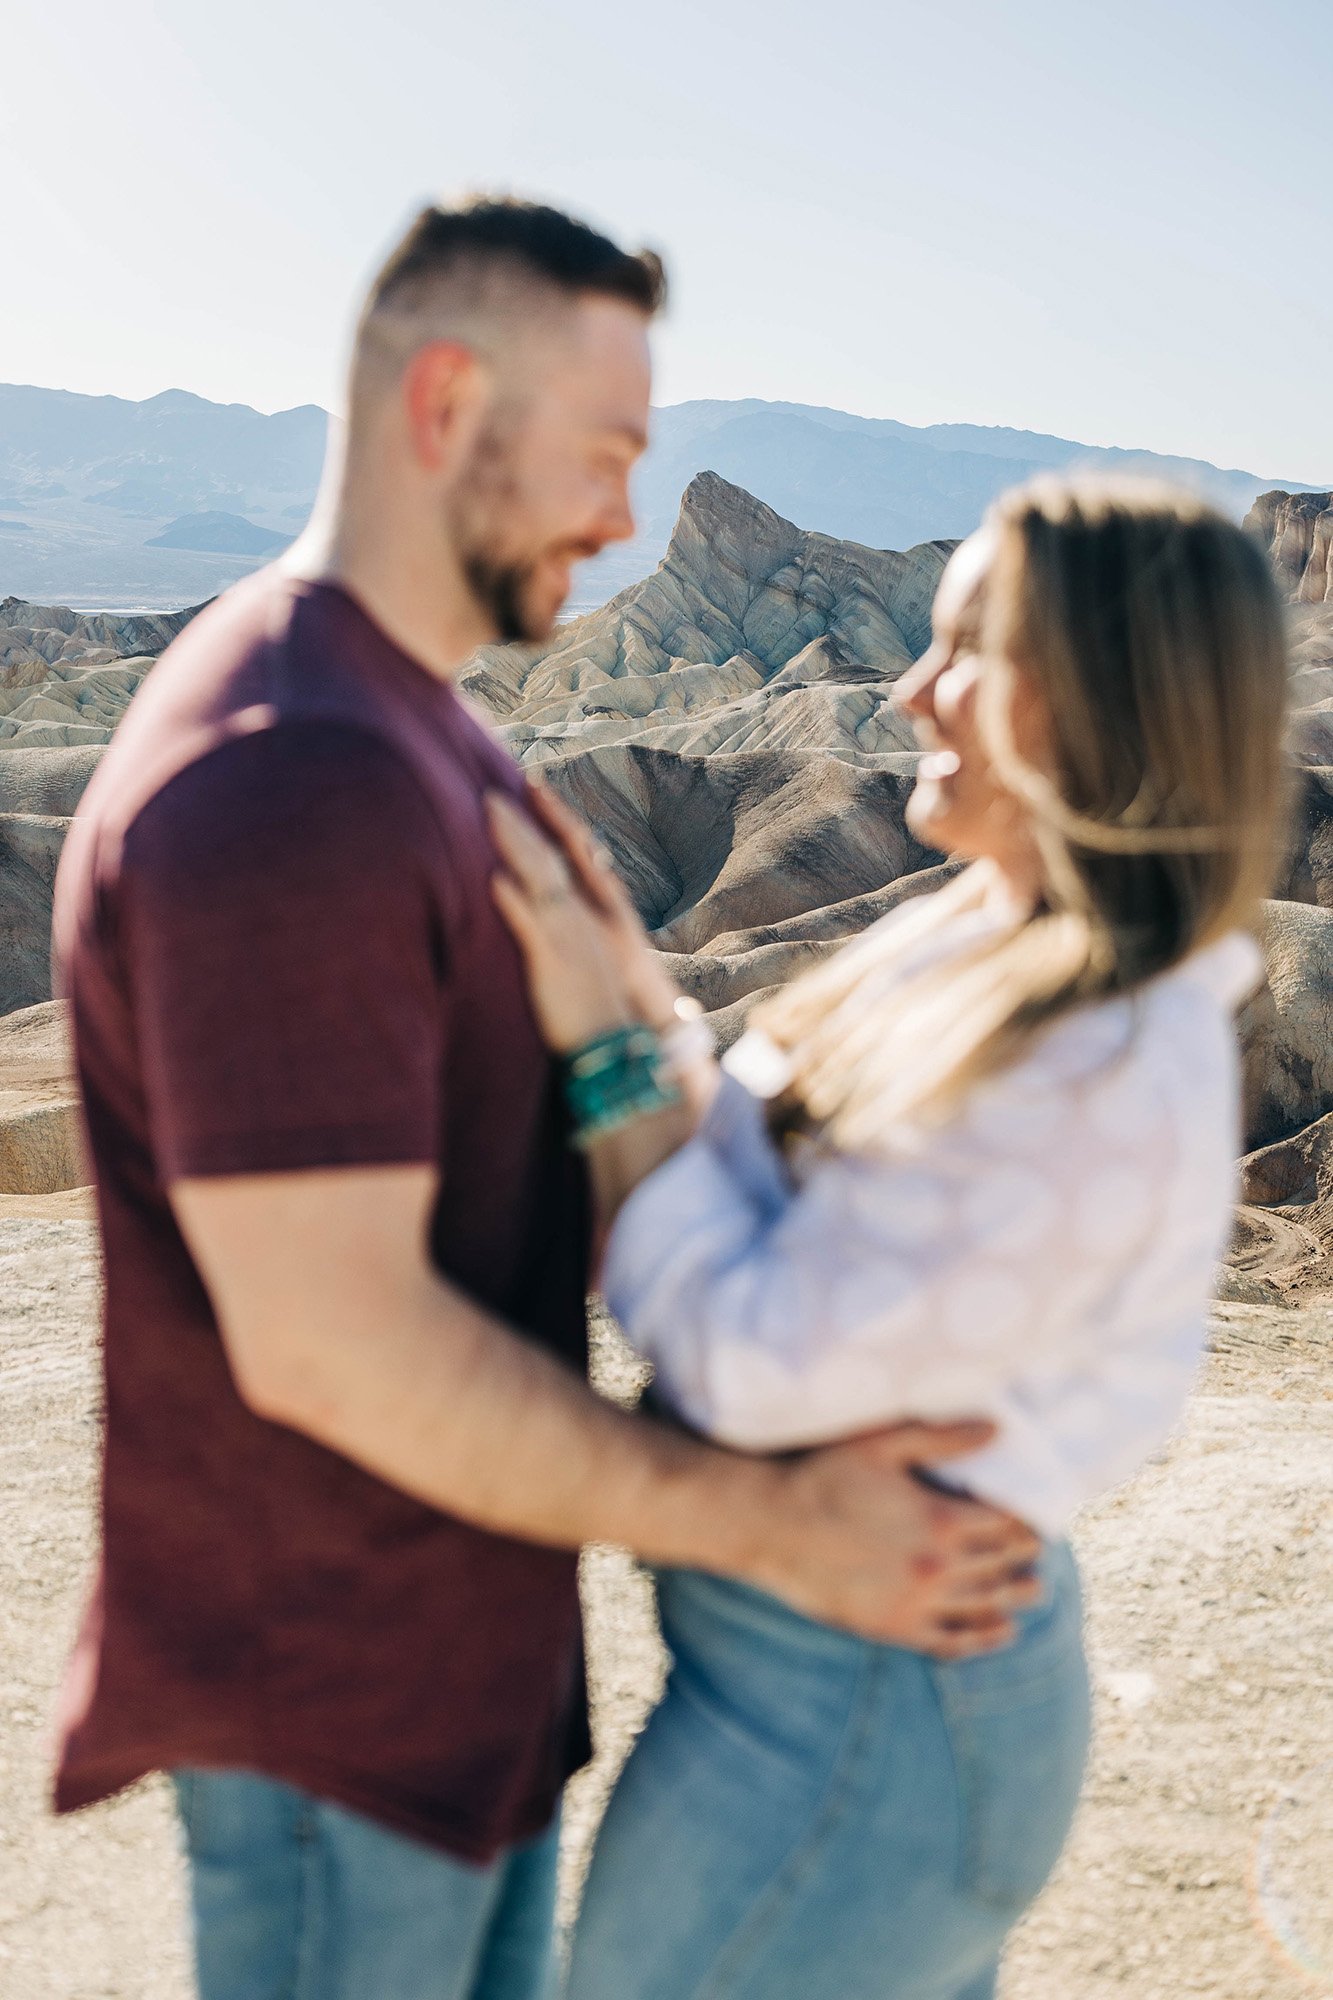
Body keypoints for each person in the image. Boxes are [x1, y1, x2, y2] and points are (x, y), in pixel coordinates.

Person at [49, 198, 1036, 2000]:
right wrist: (776, 1528)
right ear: (446, 404)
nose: (619, 518)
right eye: (602, 454)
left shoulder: (407, 728)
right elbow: (334, 1346)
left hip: (441, 1687)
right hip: (334, 1718)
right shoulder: (293, 778)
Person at [486, 475, 1289, 2000]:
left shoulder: (1102, 1057)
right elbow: (729, 1135)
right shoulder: (987, 931)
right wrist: (638, 1016)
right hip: (819, 1690)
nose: (911, 692)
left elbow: (754, 1361)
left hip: (862, 1731)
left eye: (970, 648)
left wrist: (603, 1046)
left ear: (1111, 694)